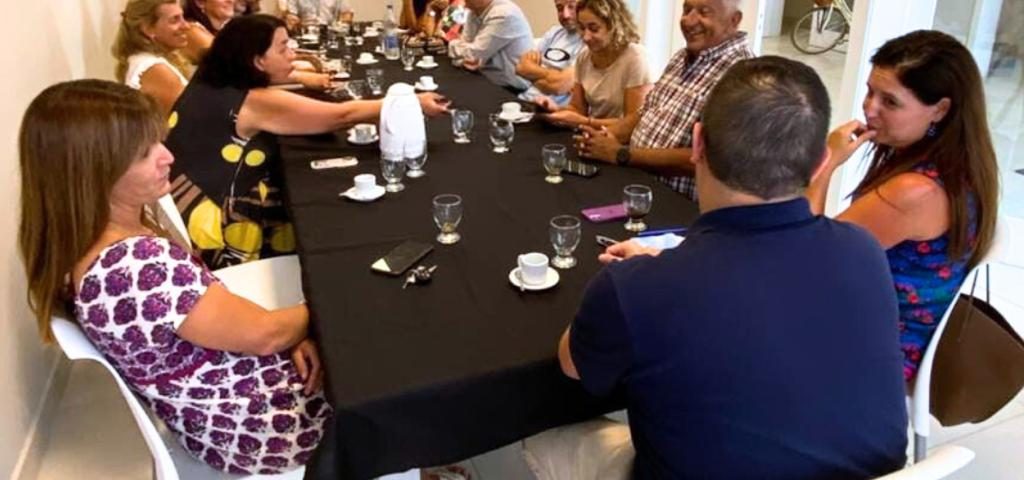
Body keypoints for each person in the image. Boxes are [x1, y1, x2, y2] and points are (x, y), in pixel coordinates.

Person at [527, 56, 909, 480]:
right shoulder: (864, 250)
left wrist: (643, 281)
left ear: (697, 144)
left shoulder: (634, 288)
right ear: (822, 162)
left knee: (546, 433)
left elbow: (574, 365)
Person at [18, 79, 331, 475]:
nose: (167, 156)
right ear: (93, 174)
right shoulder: (136, 267)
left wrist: (300, 333)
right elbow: (265, 334)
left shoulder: (93, 246)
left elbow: (238, 327)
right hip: (267, 425)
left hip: (225, 412)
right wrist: (322, 314)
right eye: (144, 153)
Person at [164, 14, 448, 269]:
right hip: (221, 233)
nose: (292, 54)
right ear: (257, 61)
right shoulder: (254, 102)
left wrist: (300, 75)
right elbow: (341, 116)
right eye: (283, 48)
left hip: (190, 205)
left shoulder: (213, 81)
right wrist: (412, 102)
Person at [807, 30, 1000, 381]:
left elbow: (806, 255)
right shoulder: (957, 165)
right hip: (883, 325)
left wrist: (827, 162)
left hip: (875, 352)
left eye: (890, 102)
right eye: (870, 91)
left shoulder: (915, 192)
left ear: (940, 110)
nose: (869, 108)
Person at [574, 0, 752, 200]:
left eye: (703, 12)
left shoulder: (741, 76)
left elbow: (708, 160)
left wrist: (622, 154)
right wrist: (602, 137)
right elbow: (644, 113)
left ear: (734, 20)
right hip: (636, 184)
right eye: (687, 10)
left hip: (675, 204)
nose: (689, 21)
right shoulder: (681, 57)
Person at [533, 0, 651, 127]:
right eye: (582, 28)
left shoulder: (635, 58)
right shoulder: (584, 57)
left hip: (619, 137)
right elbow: (578, 109)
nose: (586, 37)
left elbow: (634, 123)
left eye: (594, 29)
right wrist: (555, 109)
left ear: (613, 26)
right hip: (592, 131)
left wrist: (587, 122)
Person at [112, 0, 191, 116]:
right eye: (174, 20)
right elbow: (191, 118)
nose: (186, 26)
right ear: (148, 29)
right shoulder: (155, 69)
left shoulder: (142, 61)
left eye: (183, 17)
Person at [448, 0, 534, 91]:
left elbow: (473, 54)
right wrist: (461, 58)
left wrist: (451, 44)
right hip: (484, 77)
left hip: (510, 88)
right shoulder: (474, 11)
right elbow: (466, 50)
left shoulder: (503, 13)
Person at [515, 0, 584, 107]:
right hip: (523, 99)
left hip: (549, 109)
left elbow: (559, 86)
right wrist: (552, 78)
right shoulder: (554, 32)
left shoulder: (588, 43)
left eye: (571, 7)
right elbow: (520, 67)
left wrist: (530, 73)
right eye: (560, 8)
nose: (565, 15)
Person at [284, 0, 353, 32]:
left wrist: (341, 24)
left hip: (329, 33)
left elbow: (347, 13)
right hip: (305, 32)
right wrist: (293, 21)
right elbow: (291, 15)